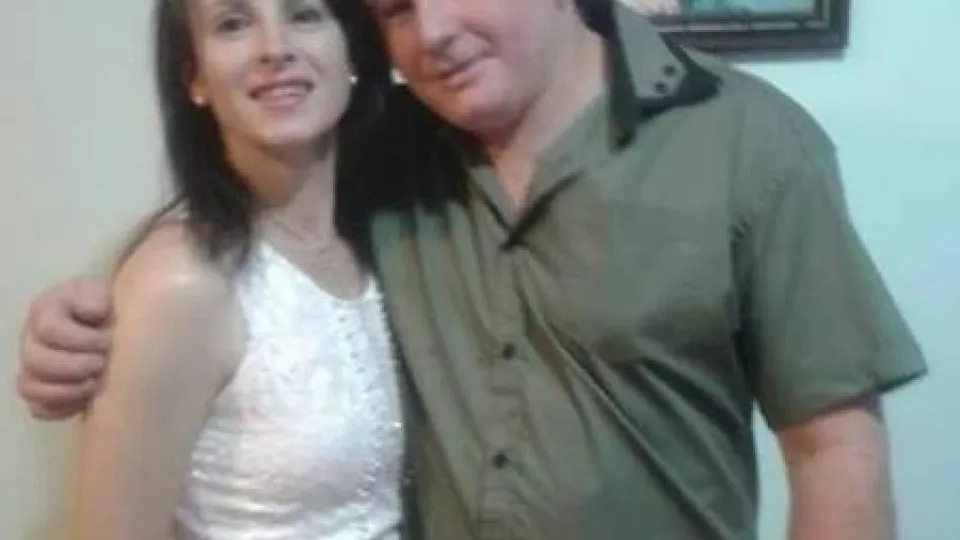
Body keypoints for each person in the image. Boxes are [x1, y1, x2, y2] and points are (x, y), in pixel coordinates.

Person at [17, 0, 927, 539]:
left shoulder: (750, 145)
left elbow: (835, 447)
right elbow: (241, 243)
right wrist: (81, 320)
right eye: (396, 9)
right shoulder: (382, 156)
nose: (434, 34)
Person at [39, 0, 410, 538]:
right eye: (233, 24)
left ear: (350, 49)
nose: (275, 48)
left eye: (304, 15)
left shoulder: (386, 233)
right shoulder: (180, 281)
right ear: (195, 78)